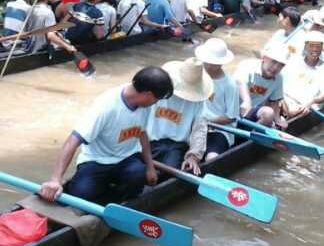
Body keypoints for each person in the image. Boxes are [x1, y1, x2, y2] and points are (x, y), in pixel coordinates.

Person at [39, 67, 174, 204]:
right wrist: (55, 180)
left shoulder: (145, 105)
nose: (156, 103)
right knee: (80, 195)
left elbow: (142, 134)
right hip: (97, 161)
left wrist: (150, 167)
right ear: (148, 94)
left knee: (138, 175)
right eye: (156, 99)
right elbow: (72, 141)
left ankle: (121, 200)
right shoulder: (106, 107)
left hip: (126, 159)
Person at [147, 58, 213, 175]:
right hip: (149, 142)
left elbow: (200, 130)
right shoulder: (158, 91)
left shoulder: (197, 101)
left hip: (176, 146)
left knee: (168, 173)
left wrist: (193, 156)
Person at [196, 38, 240, 160]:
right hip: (196, 127)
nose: (207, 64)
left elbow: (231, 116)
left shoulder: (229, 84)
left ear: (220, 63)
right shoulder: (197, 76)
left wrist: (208, 122)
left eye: (211, 62)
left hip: (220, 130)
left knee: (211, 158)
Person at [234, 41, 288, 128]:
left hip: (253, 113)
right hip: (233, 108)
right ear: (264, 58)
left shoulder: (279, 78)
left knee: (269, 114)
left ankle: (250, 137)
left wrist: (278, 119)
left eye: (281, 65)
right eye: (274, 62)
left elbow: (274, 102)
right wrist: (246, 101)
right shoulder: (247, 65)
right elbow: (240, 82)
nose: (275, 68)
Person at [281, 31, 324, 116]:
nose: (315, 49)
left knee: (295, 111)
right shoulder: (293, 62)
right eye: (311, 46)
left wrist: (311, 102)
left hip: (308, 105)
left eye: (318, 46)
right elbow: (280, 82)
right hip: (287, 99)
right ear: (305, 47)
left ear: (321, 48)